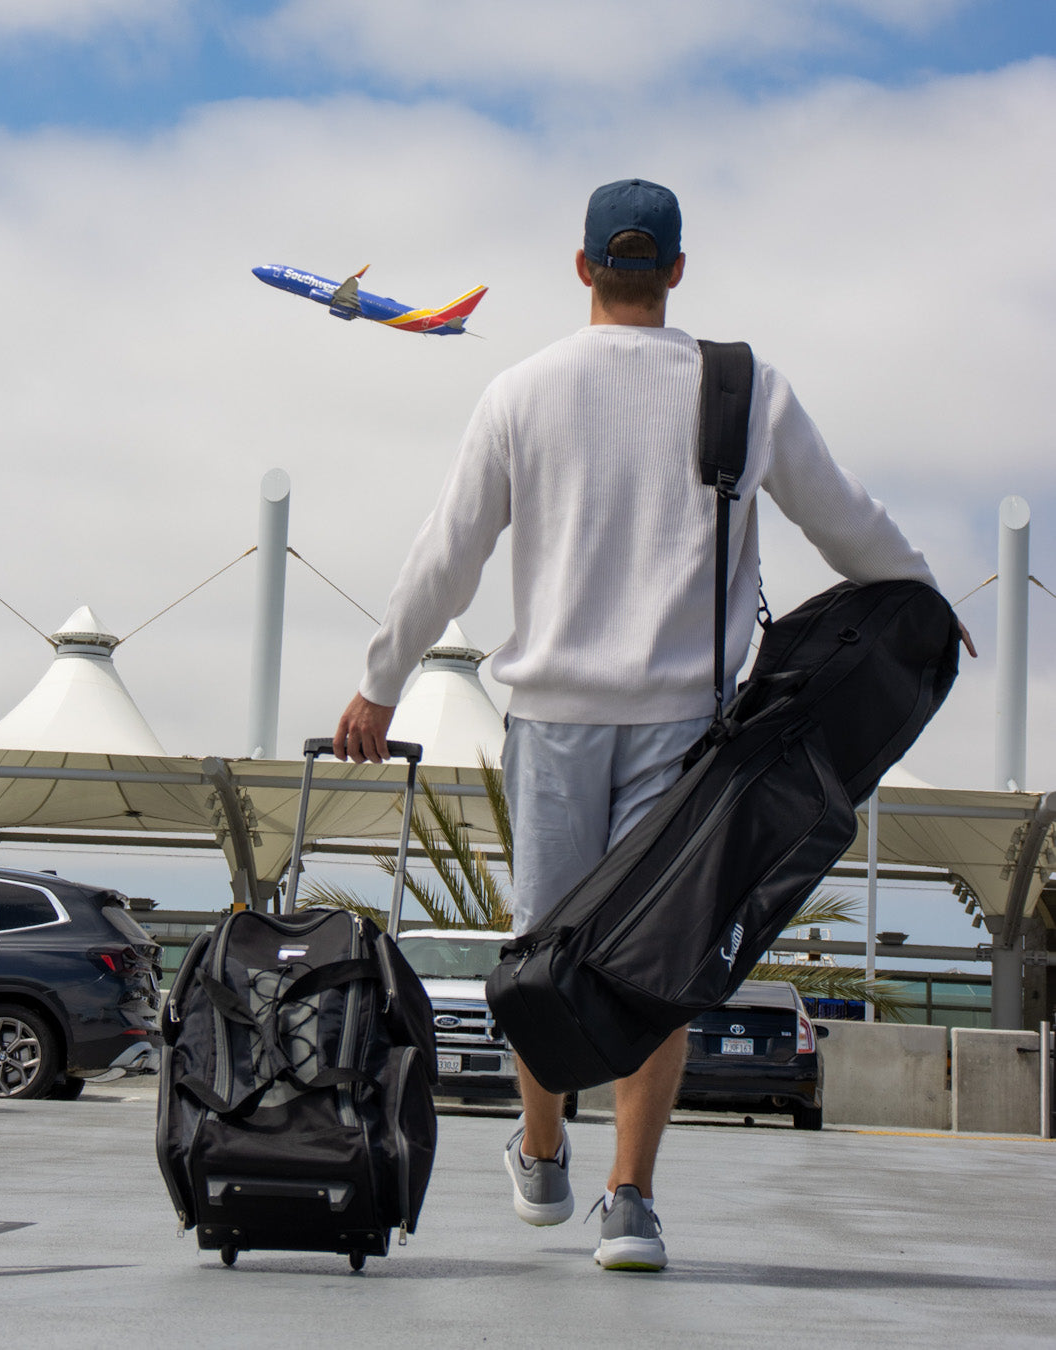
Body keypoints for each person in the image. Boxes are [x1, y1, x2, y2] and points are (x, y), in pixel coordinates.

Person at [332, 178, 974, 1271]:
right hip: (689, 727)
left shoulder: (521, 392)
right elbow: (846, 521)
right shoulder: (742, 387)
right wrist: (926, 602)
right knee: (658, 958)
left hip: (554, 720)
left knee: (544, 946)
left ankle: (542, 1152)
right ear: (676, 271)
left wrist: (381, 682)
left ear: (582, 268)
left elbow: (447, 554)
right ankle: (629, 1201)